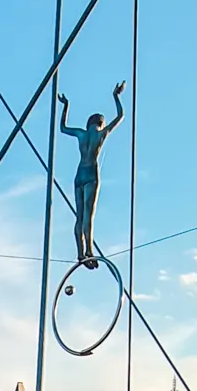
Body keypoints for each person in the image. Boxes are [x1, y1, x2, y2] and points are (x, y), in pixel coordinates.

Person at [59, 82, 126, 265]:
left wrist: (66, 106)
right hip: (90, 174)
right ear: (101, 123)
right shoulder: (102, 133)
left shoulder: (81, 134)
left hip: (79, 173)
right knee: (89, 214)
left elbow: (63, 128)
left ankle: (80, 252)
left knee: (79, 216)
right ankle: (89, 249)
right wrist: (116, 96)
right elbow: (121, 116)